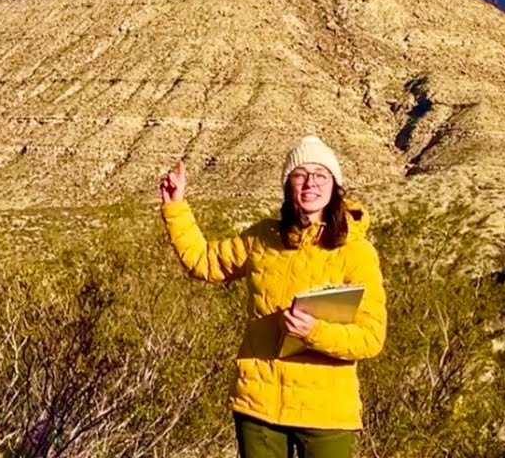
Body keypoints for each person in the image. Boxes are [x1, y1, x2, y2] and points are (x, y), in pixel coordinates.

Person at [157, 135, 387, 458]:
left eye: (321, 175)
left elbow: (370, 338)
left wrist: (313, 332)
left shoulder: (357, 252)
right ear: (287, 184)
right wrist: (175, 207)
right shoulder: (262, 238)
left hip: (327, 410)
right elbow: (204, 261)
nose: (310, 183)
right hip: (259, 405)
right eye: (300, 174)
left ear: (335, 186)